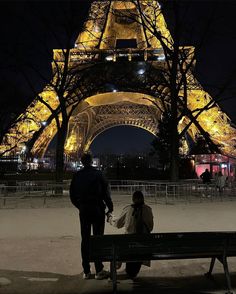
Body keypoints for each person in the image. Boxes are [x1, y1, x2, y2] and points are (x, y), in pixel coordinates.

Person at [70, 152, 113, 280]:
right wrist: (110, 207)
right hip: (97, 209)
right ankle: (99, 269)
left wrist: (81, 206)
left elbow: (72, 195)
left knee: (85, 239)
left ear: (82, 162)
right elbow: (106, 193)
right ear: (91, 161)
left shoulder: (77, 176)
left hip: (84, 210)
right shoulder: (99, 174)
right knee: (98, 238)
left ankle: (86, 270)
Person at [108, 190, 153, 279]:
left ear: (133, 199)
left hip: (128, 247)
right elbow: (150, 227)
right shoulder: (148, 210)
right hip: (144, 247)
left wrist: (110, 219)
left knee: (122, 242)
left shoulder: (128, 209)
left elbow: (118, 224)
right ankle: (131, 271)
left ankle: (121, 269)